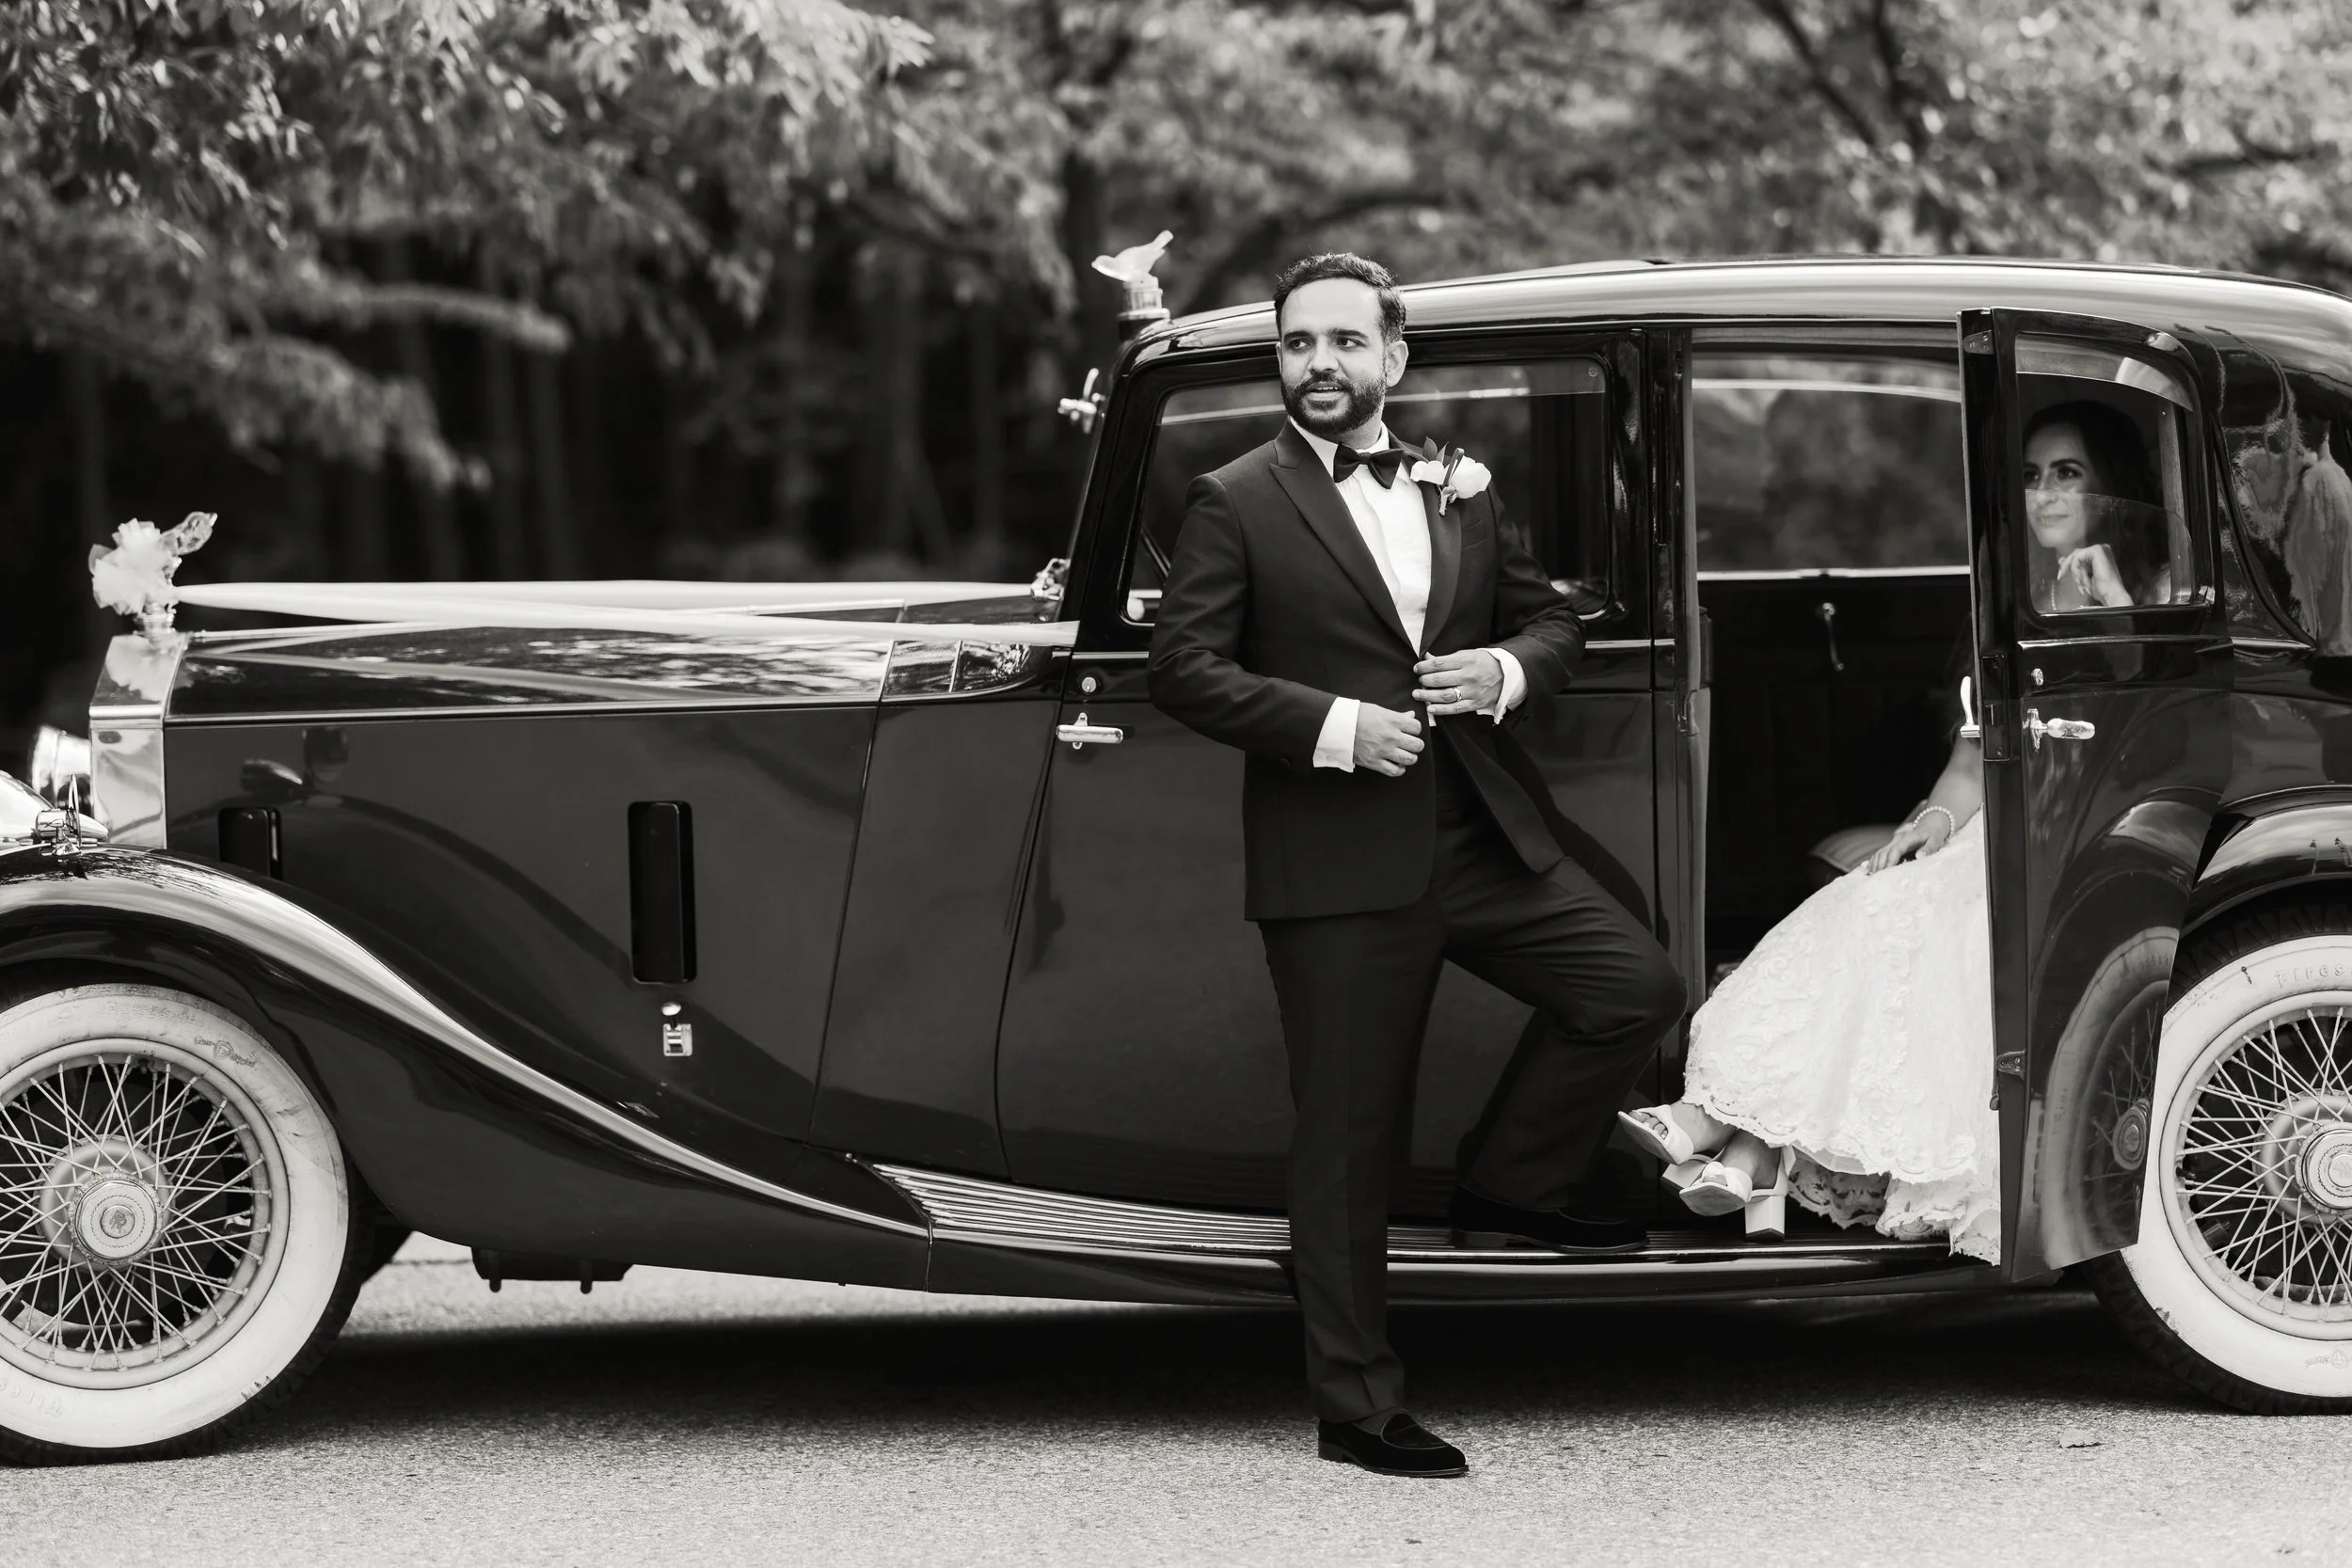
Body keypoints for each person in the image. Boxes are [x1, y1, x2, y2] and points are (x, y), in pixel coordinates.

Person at [1149, 253, 1686, 1479]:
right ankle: (1357, 1401)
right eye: (1297, 344)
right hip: (1335, 858)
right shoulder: (1234, 498)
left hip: (1477, 832)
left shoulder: (1459, 484)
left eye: (1344, 341)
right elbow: (1184, 667)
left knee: (1632, 986)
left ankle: (1514, 1179)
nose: (1318, 363)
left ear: (1393, 358)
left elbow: (1550, 618)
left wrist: (1501, 672)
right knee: (1348, 1134)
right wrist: (1336, 728)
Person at [1616, 398, 2170, 1261]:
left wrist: (2121, 606)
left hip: (2089, 844)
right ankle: (1746, 1144)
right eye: (2028, 477)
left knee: (1907, 931)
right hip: (2001, 832)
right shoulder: (2012, 602)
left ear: (2115, 491)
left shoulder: (2168, 598)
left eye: (2068, 473)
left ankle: (1731, 1135)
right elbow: (1968, 762)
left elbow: (2155, 734)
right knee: (1865, 902)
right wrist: (1932, 823)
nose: (2044, 494)